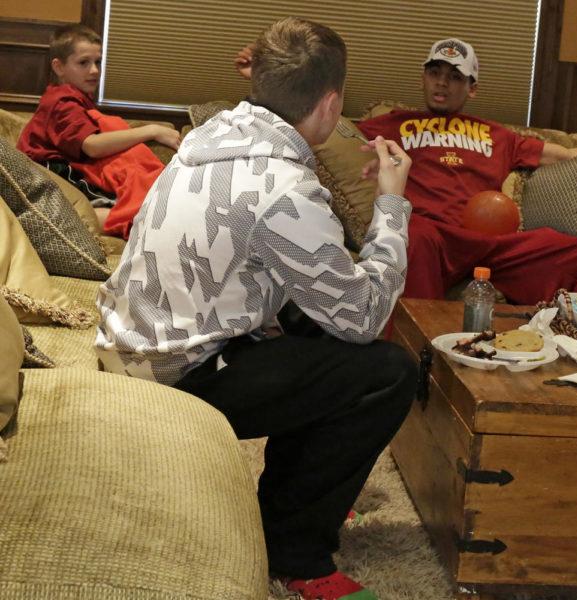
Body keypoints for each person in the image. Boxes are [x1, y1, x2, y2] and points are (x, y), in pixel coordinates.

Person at [96, 18, 415, 600]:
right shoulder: (283, 186)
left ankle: (294, 506)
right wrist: (392, 205)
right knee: (385, 371)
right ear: (330, 102)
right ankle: (296, 553)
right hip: (169, 382)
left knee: (313, 319)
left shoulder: (213, 137)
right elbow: (364, 315)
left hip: (131, 346)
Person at [236, 38, 577, 305]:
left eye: (454, 76)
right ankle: (417, 365)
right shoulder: (388, 123)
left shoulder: (499, 134)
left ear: (471, 88)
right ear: (423, 78)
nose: (442, 82)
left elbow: (573, 155)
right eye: (435, 72)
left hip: (498, 241)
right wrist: (267, 78)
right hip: (432, 235)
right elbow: (309, 113)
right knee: (412, 236)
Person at [17, 24, 180, 238]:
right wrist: (151, 130)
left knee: (137, 203)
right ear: (58, 67)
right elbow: (92, 146)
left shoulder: (74, 98)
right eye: (83, 63)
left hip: (60, 173)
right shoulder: (62, 101)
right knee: (135, 212)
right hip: (50, 175)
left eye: (98, 62)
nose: (94, 70)